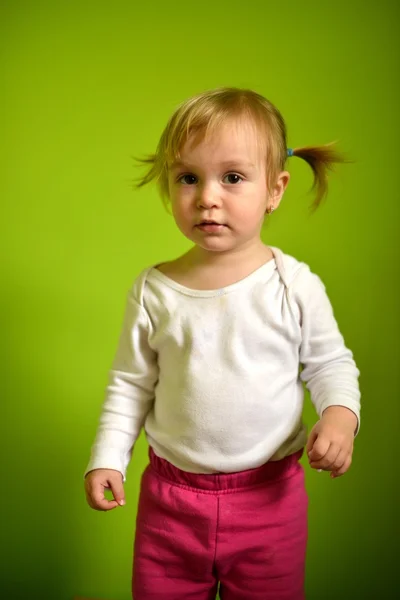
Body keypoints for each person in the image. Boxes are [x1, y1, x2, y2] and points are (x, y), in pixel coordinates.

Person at [84, 87, 361, 600]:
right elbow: (130, 384)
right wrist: (107, 457)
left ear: (275, 189)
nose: (207, 197)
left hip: (270, 502)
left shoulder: (293, 285)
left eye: (232, 178)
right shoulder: (154, 290)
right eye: (188, 178)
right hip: (171, 504)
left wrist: (341, 414)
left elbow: (329, 364)